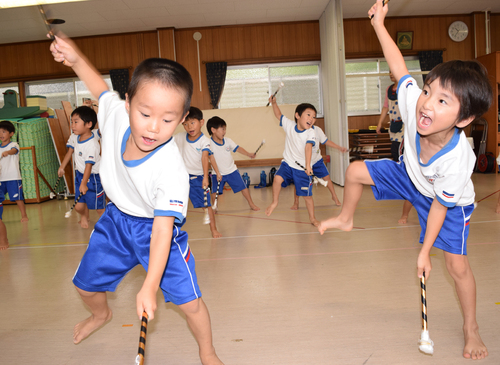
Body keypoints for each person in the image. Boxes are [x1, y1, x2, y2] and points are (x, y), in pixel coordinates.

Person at [319, 0, 492, 360]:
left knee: (456, 265)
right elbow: (400, 67)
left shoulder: (459, 160)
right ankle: (346, 218)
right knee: (353, 171)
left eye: (443, 101)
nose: (427, 104)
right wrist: (379, 23)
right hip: (411, 176)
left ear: (463, 119)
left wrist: (425, 252)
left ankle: (470, 326)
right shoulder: (417, 106)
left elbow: (438, 210)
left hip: (447, 203)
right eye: (429, 91)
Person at [49, 35, 223, 364]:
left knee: (190, 303)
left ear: (183, 117)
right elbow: (100, 87)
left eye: (168, 119)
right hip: (117, 221)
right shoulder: (115, 114)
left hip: (156, 230)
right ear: (128, 103)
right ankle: (100, 315)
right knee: (85, 286)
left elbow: (161, 232)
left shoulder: (170, 169)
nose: (154, 127)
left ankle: (208, 351)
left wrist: (150, 285)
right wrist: (73, 58)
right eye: (145, 113)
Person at [265, 97, 318, 226]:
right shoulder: (289, 125)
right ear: (297, 115)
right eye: (308, 115)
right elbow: (278, 115)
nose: (311, 119)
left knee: (307, 197)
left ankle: (312, 218)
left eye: (314, 117)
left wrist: (307, 166)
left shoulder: (311, 132)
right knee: (277, 179)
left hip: (302, 169)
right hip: (288, 163)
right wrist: (274, 103)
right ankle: (274, 202)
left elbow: (308, 148)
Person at [175, 107, 222, 238]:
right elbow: (166, 141)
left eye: (192, 122)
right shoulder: (180, 137)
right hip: (182, 178)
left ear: (201, 122)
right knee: (174, 204)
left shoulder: (204, 141)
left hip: (198, 178)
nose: (189, 126)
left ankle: (213, 229)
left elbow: (205, 157)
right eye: (185, 124)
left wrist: (206, 177)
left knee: (207, 206)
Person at [58, 106, 105, 228]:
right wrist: (62, 167)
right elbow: (69, 152)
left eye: (76, 122)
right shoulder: (74, 137)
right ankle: (85, 216)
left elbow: (88, 166)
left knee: (99, 208)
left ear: (89, 124)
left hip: (93, 178)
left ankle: (109, 226)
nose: (73, 125)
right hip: (80, 175)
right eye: (71, 122)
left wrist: (84, 183)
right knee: (79, 206)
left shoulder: (92, 144)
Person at [376, 72, 413, 224]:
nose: (391, 74)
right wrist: (379, 123)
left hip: (405, 126)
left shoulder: (407, 87)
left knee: (399, 153)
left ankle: (404, 181)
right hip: (394, 126)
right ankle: (401, 181)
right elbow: (386, 107)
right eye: (389, 72)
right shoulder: (388, 90)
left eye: (393, 71)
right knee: (395, 153)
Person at [207, 116, 260, 211]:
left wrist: (248, 154)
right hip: (217, 173)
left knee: (244, 188)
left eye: (225, 129)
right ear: (213, 130)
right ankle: (214, 207)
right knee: (215, 191)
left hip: (232, 171)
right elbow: (209, 158)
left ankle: (251, 204)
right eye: (222, 129)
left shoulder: (228, 141)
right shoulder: (208, 143)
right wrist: (217, 172)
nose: (224, 131)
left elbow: (238, 148)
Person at [291, 124, 347, 210]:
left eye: (313, 117)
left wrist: (338, 147)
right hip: (303, 162)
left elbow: (325, 141)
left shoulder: (317, 129)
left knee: (327, 178)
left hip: (317, 160)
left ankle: (334, 196)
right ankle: (296, 202)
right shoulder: (298, 131)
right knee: (298, 182)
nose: (310, 120)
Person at [0, 120, 29, 222]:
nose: (1, 134)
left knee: (17, 197)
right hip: (1, 179)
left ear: (11, 133)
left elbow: (14, 151)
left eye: (3, 131)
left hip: (13, 177)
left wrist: (7, 152)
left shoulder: (14, 144)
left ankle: (24, 215)